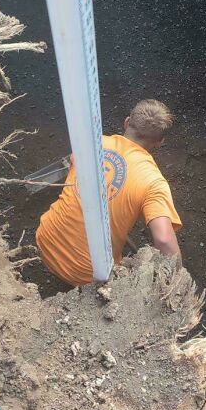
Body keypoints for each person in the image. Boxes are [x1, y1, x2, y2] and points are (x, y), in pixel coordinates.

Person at [36, 99, 182, 286]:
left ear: (127, 122)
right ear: (160, 142)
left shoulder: (93, 142)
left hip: (45, 240)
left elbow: (75, 166)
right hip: (86, 276)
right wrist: (178, 284)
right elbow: (163, 239)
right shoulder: (153, 182)